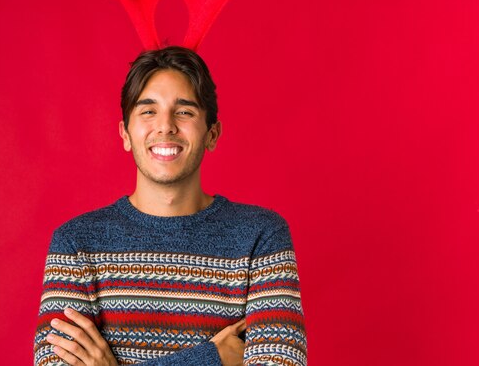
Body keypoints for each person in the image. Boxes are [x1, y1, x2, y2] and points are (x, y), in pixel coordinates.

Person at [33, 46, 307, 366]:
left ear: (212, 134)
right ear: (125, 133)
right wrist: (211, 358)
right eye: (148, 111)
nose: (166, 126)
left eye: (185, 111)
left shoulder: (261, 235)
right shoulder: (76, 243)